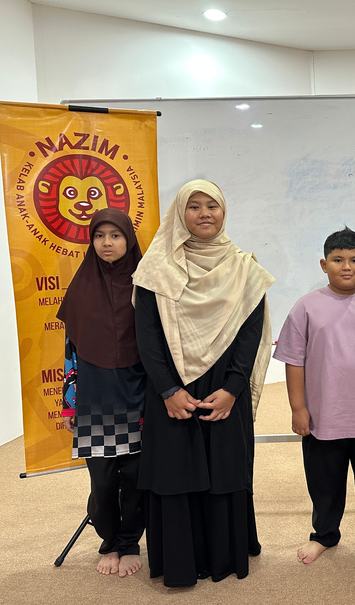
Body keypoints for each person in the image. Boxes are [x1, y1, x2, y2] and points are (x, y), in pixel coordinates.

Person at [132, 179, 274, 587]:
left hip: (224, 388)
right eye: (193, 206)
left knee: (225, 466)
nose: (204, 214)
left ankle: (223, 555)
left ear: (224, 211)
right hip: (171, 391)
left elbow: (250, 335)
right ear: (180, 214)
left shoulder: (244, 267)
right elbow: (148, 336)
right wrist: (167, 391)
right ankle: (182, 560)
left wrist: (232, 390)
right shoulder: (155, 269)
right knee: (175, 468)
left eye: (212, 205)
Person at [273, 227, 355, 570]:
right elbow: (294, 361)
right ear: (323, 264)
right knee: (324, 483)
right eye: (338, 260)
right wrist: (298, 408)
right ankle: (324, 534)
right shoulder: (306, 307)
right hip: (323, 416)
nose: (347, 266)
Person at [58, 208, 146, 578]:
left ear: (129, 240)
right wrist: (69, 405)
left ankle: (129, 543)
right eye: (99, 236)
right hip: (95, 396)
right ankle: (109, 541)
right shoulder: (80, 288)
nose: (106, 243)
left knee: (137, 476)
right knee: (103, 479)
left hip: (138, 394)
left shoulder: (147, 285)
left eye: (115, 235)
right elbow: (71, 352)